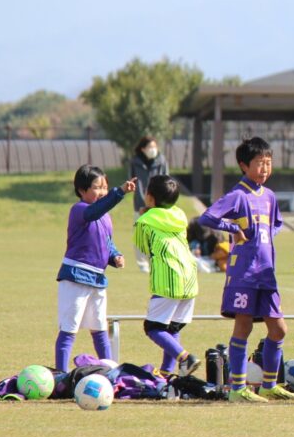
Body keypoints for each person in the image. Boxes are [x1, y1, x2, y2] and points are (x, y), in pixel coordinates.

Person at [198, 137, 294, 402]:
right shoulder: (238, 195)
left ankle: (268, 386)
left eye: (268, 162)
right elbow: (207, 217)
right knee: (243, 327)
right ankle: (238, 389)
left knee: (279, 330)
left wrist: (266, 235)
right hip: (243, 273)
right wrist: (233, 228)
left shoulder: (270, 196)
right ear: (244, 165)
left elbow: (277, 223)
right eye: (259, 163)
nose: (265, 168)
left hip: (266, 273)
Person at [54, 165, 136, 372]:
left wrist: (115, 256)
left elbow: (107, 242)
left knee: (100, 329)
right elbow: (93, 212)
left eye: (105, 187)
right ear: (82, 190)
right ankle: (61, 374)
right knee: (69, 329)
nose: (102, 192)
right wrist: (119, 192)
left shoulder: (105, 217)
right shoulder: (79, 209)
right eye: (97, 187)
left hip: (98, 279)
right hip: (76, 276)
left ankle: (110, 371)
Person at [134, 175, 201, 378]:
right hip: (189, 277)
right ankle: (166, 373)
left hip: (168, 279)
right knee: (172, 328)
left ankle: (185, 357)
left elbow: (143, 248)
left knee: (153, 327)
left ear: (150, 197)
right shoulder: (180, 215)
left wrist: (145, 216)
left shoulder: (144, 221)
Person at [130, 136, 169, 273]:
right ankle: (142, 264)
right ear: (142, 149)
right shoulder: (135, 162)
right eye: (149, 147)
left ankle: (155, 260)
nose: (153, 149)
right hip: (140, 204)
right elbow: (132, 181)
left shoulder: (161, 160)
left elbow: (167, 180)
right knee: (140, 234)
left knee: (156, 234)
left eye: (154, 146)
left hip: (158, 204)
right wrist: (141, 199)